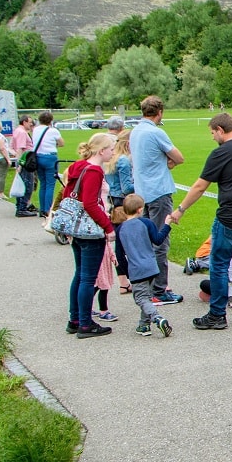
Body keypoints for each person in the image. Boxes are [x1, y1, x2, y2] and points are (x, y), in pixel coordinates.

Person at [173, 113, 232, 330]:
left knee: (219, 265)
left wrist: (180, 209)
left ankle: (217, 314)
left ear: (220, 129)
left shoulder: (221, 153)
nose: (212, 137)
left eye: (212, 133)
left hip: (231, 218)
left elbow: (199, 186)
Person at [130, 96, 185, 305]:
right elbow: (179, 157)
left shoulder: (135, 132)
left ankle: (148, 285)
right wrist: (168, 161)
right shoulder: (155, 132)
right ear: (160, 112)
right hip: (158, 191)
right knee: (160, 240)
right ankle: (160, 290)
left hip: (142, 192)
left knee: (146, 241)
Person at [61, 133, 116, 338]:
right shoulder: (94, 171)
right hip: (90, 231)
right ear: (101, 151)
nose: (112, 152)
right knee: (87, 278)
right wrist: (107, 226)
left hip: (76, 230)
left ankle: (75, 318)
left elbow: (69, 194)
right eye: (111, 148)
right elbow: (90, 203)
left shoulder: (78, 166)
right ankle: (85, 322)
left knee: (79, 274)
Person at [112, 193, 173, 338]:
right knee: (147, 296)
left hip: (136, 269)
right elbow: (158, 240)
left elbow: (119, 255)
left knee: (141, 298)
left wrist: (127, 273)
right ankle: (143, 325)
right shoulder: (147, 223)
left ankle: (156, 318)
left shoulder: (120, 230)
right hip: (152, 267)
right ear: (140, 210)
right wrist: (166, 225)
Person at [31, 111, 64, 218]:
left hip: (38, 157)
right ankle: (47, 209)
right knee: (50, 184)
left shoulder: (35, 130)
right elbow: (61, 143)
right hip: (50, 157)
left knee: (43, 183)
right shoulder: (53, 131)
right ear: (50, 120)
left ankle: (42, 208)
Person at [11, 115, 38, 216]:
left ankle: (20, 206)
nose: (31, 124)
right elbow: (20, 149)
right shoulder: (22, 133)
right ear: (24, 122)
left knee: (23, 184)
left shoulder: (17, 131)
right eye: (30, 122)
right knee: (27, 185)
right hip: (25, 161)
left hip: (23, 161)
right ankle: (22, 208)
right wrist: (20, 164)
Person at [106, 129, 133, 209]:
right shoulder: (123, 160)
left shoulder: (111, 158)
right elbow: (126, 188)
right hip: (121, 200)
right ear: (128, 144)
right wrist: (141, 184)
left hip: (111, 198)